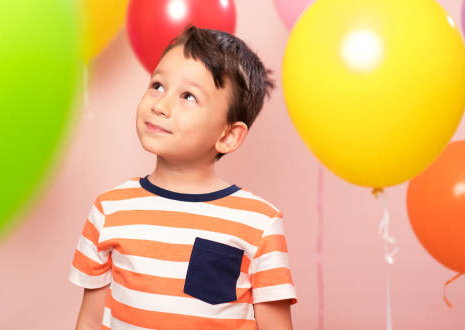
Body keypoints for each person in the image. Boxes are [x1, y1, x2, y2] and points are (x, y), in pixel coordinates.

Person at [69, 25, 297, 329]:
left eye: (188, 96)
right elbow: (89, 322)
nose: (160, 105)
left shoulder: (259, 223)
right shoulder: (109, 210)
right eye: (157, 85)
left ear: (228, 136)